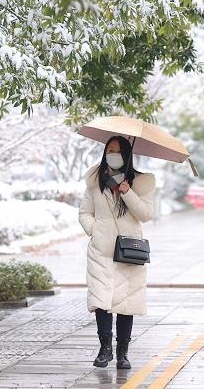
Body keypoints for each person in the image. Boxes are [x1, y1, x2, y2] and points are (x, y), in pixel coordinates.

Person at [78, 135, 155, 370]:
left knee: (125, 302)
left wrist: (128, 193)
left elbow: (146, 215)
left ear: (127, 155)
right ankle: (105, 349)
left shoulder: (141, 183)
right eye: (110, 150)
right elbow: (84, 213)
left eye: (118, 151)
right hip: (101, 249)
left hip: (128, 251)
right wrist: (95, 230)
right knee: (101, 299)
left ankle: (123, 353)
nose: (113, 155)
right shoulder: (95, 181)